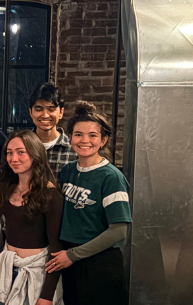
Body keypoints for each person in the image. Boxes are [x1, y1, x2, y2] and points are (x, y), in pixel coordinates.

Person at [46, 102, 131, 305]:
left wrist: (74, 255)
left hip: (100, 264)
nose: (85, 140)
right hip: (69, 260)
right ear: (70, 138)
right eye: (78, 134)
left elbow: (119, 230)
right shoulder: (67, 171)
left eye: (92, 135)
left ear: (103, 140)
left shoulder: (111, 177)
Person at [0, 131, 63, 305]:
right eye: (9, 153)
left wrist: (47, 295)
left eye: (21, 152)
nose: (14, 158)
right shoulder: (6, 188)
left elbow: (57, 248)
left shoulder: (50, 194)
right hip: (7, 268)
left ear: (35, 154)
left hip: (36, 272)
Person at [28, 83, 76, 175]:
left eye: (51, 109)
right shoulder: (20, 146)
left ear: (61, 113)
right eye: (39, 109)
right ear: (31, 112)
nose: (45, 115)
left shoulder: (73, 149)